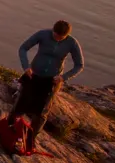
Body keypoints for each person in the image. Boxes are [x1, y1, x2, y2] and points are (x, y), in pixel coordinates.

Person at [7, 20, 85, 152]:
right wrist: (26, 66)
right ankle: (8, 129)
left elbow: (79, 65)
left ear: (67, 35)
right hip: (33, 75)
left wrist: (63, 77)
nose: (58, 39)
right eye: (56, 35)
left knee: (42, 113)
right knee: (20, 104)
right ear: (53, 31)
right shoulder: (43, 34)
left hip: (52, 81)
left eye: (61, 38)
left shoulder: (72, 43)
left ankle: (29, 139)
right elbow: (23, 48)